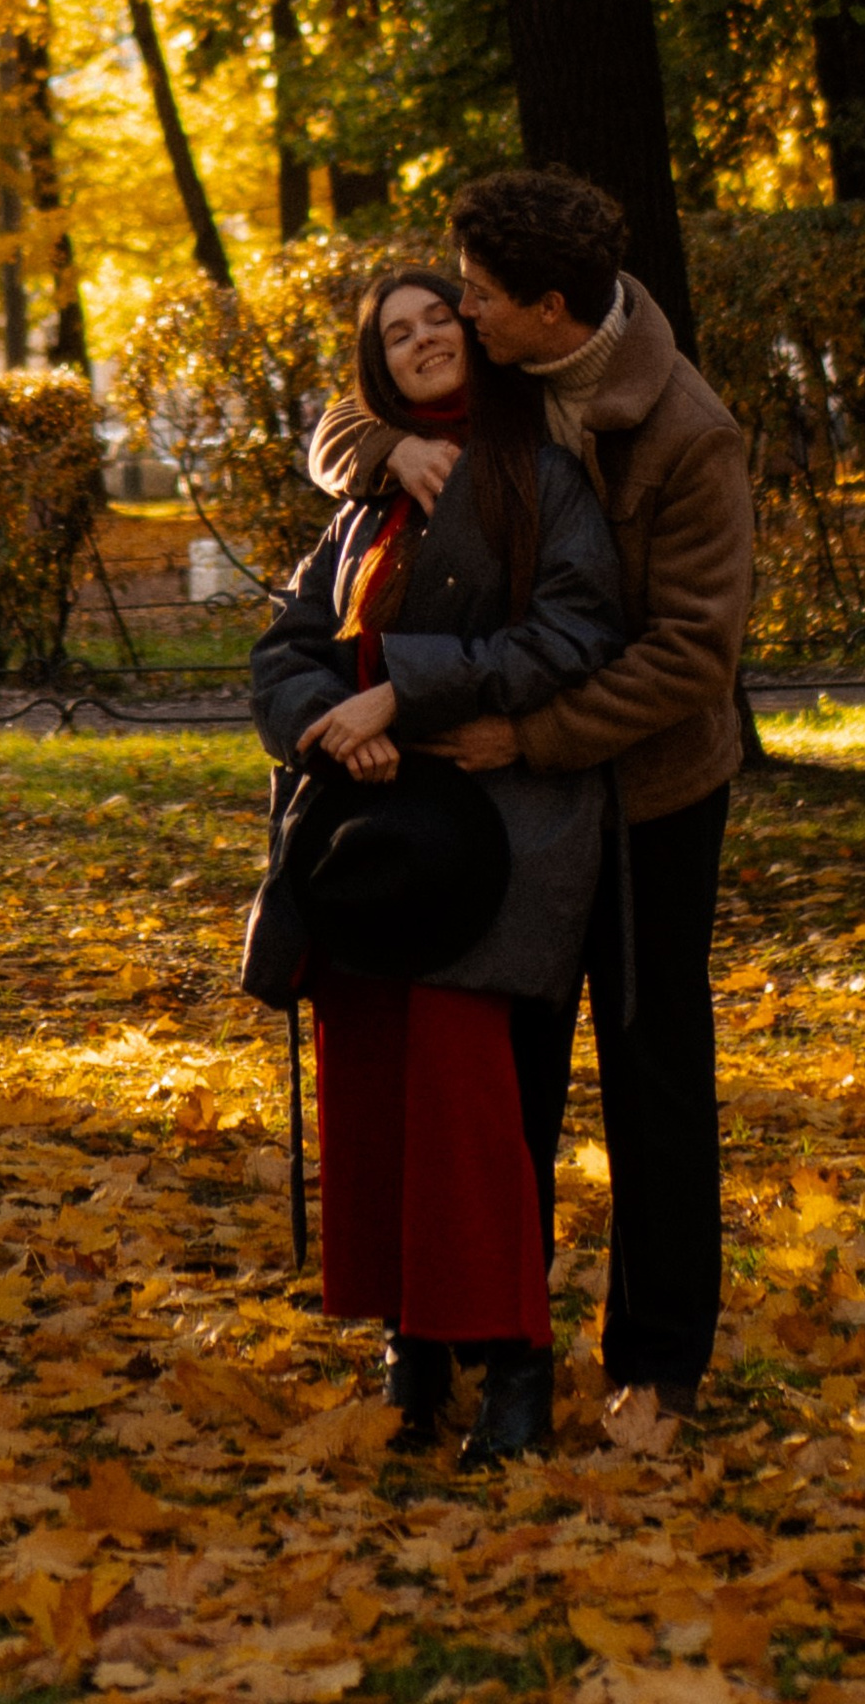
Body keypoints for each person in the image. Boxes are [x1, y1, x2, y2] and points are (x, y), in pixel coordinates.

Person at [308, 168, 753, 1425]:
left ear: (550, 309)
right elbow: (352, 418)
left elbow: (690, 656)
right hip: (518, 795)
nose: (461, 313)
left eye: (484, 296)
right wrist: (386, 442)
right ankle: (498, 1337)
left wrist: (529, 734)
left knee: (653, 1063)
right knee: (508, 1065)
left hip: (650, 790)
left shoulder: (682, 432)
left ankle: (658, 1365)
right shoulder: (506, 364)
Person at [253, 270, 623, 1465]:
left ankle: (511, 1363)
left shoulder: (543, 477)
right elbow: (285, 645)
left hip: (492, 841)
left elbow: (573, 633)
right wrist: (329, 719)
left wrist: (401, 695)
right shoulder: (363, 508)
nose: (417, 343)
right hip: (362, 848)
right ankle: (414, 1351)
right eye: (392, 335)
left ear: (477, 339)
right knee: (371, 1099)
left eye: (435, 323)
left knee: (465, 1112)